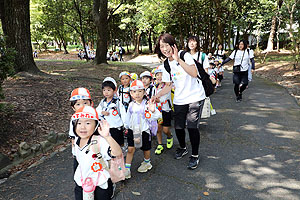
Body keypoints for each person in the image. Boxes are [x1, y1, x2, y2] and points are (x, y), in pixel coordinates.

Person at [154, 33, 206, 170]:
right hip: (179, 98)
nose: (165, 49)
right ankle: (183, 148)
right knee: (178, 126)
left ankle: (195, 155)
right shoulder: (165, 64)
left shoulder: (184, 55)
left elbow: (194, 73)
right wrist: (157, 95)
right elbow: (168, 85)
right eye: (161, 46)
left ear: (173, 45)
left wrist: (178, 60)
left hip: (195, 96)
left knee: (192, 126)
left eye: (166, 45)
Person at [72, 106, 122, 200]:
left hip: (100, 184)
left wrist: (107, 137)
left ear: (96, 125)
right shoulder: (77, 140)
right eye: (79, 123)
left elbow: (117, 153)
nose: (82, 127)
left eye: (87, 123)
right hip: (81, 182)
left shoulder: (100, 142)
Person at [123, 80, 161, 179]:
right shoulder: (131, 105)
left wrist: (153, 110)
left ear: (144, 92)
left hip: (144, 130)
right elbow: (128, 117)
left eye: (140, 91)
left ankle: (147, 162)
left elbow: (156, 116)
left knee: (145, 148)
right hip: (133, 130)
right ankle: (127, 169)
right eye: (134, 92)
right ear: (131, 93)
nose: (137, 94)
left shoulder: (147, 104)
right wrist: (126, 126)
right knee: (131, 148)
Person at [69, 87, 94, 172]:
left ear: (91, 104)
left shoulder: (95, 117)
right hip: (79, 151)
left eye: (85, 103)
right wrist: (74, 150)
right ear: (73, 107)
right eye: (78, 104)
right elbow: (73, 136)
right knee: (79, 172)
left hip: (94, 150)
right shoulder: (74, 119)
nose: (82, 107)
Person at [96, 77, 126, 146]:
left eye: (109, 90)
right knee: (107, 144)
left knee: (117, 144)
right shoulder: (102, 102)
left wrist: (125, 125)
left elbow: (123, 114)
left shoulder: (118, 102)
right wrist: (101, 112)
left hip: (116, 127)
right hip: (106, 127)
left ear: (114, 90)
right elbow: (97, 111)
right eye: (104, 90)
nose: (106, 92)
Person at [153, 66, 173, 155]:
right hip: (157, 111)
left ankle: (170, 136)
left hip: (166, 110)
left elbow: (165, 97)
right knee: (158, 129)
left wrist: (158, 100)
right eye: (158, 75)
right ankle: (160, 144)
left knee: (165, 130)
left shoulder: (168, 86)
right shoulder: (154, 87)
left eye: (162, 75)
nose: (159, 77)